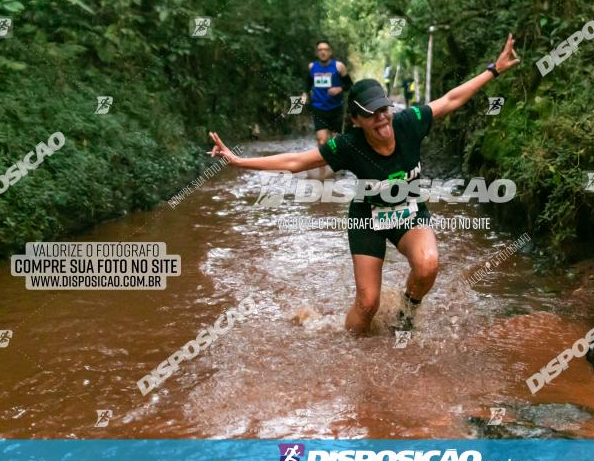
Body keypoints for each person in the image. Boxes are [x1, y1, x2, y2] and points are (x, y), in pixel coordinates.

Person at [209, 34, 520, 335]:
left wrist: (493, 69)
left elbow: (451, 99)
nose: (382, 119)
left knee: (427, 265)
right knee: (367, 303)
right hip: (367, 218)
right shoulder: (348, 145)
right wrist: (238, 161)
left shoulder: (408, 121)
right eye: (372, 115)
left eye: (384, 110)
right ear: (356, 120)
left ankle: (405, 315)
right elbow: (295, 162)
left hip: (408, 211)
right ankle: (350, 348)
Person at [302, 40, 353, 146]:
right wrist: (305, 94)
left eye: (326, 50)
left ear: (330, 52)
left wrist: (340, 88)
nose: (323, 52)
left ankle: (333, 161)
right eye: (320, 50)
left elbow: (350, 85)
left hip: (336, 108)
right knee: (322, 141)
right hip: (318, 108)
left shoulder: (339, 66)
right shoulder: (312, 67)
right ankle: (323, 161)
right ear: (317, 53)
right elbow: (308, 83)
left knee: (335, 142)